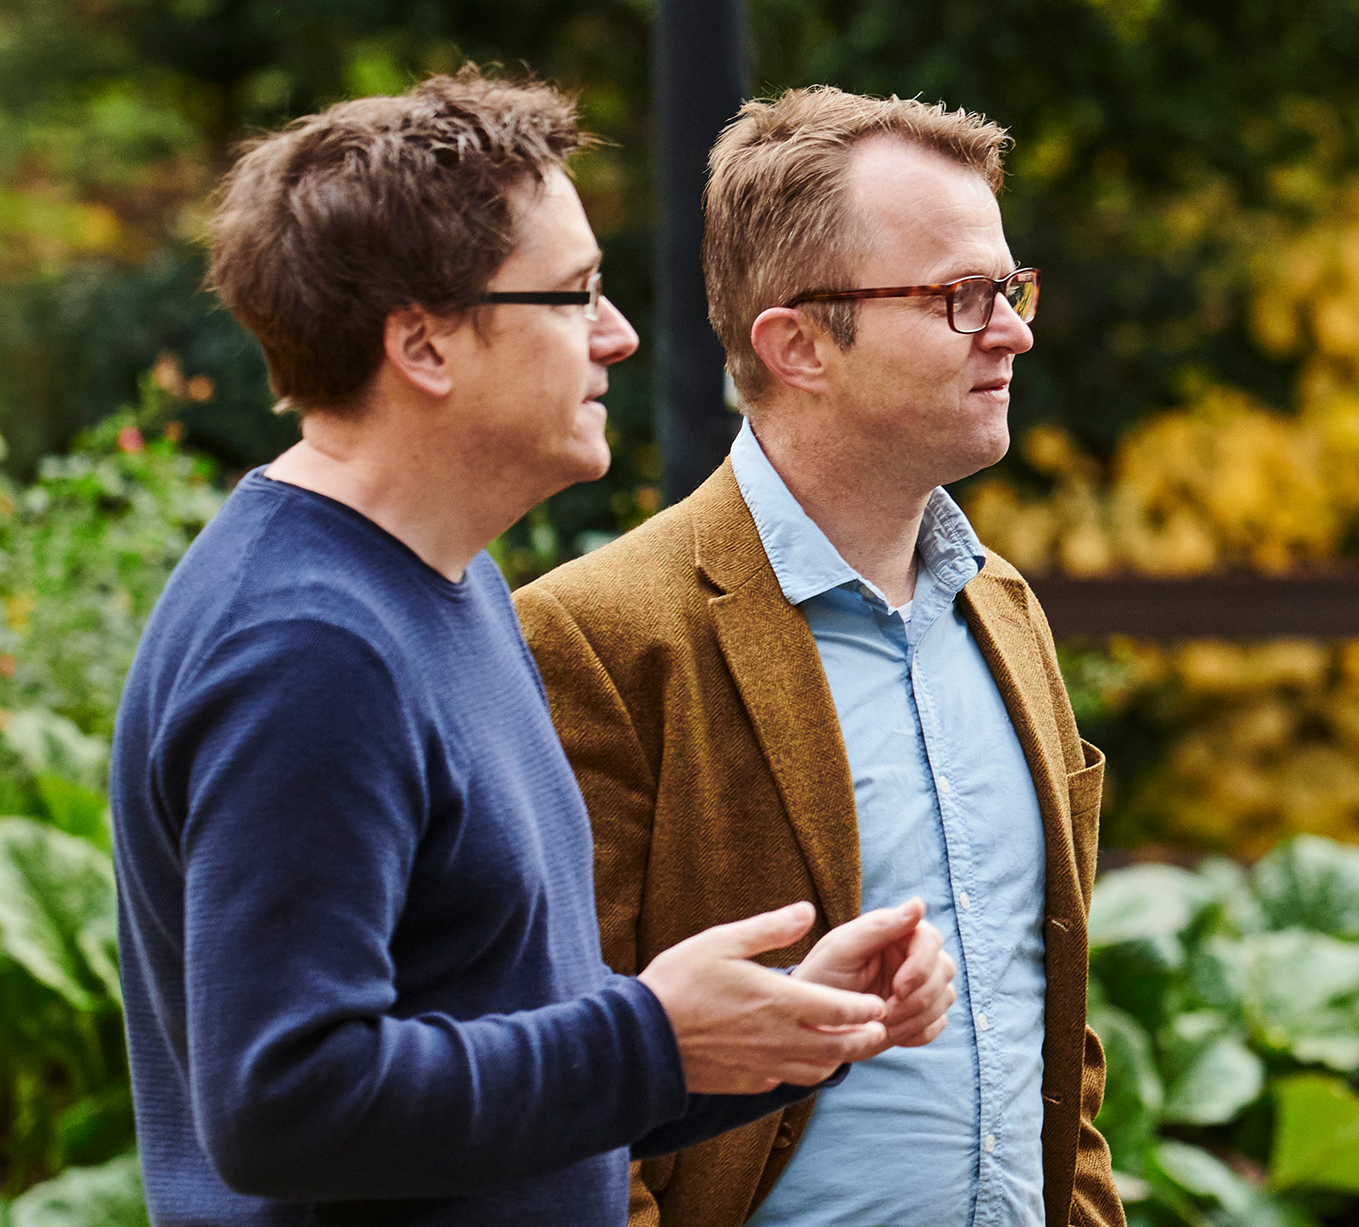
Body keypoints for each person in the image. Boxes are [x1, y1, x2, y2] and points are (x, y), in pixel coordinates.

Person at [112, 70, 956, 1226]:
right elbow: (285, 1103)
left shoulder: (443, 585)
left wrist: (768, 1030)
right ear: (425, 345)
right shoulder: (306, 647)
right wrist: (651, 1035)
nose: (617, 337)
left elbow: (511, 1052)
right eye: (574, 295)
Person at [515, 87, 1119, 1226]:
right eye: (959, 297)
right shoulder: (595, 638)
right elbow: (560, 1089)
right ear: (796, 345)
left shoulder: (1006, 612)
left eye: (1009, 287)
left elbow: (1058, 1049)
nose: (1015, 330)